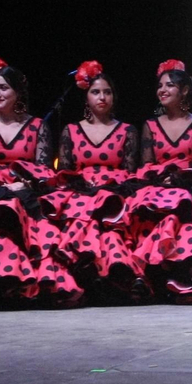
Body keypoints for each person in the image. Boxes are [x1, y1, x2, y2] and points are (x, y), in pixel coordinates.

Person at [0, 55, 80, 305]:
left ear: (18, 92)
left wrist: (24, 185)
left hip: (28, 192)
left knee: (31, 216)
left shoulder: (36, 126)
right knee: (3, 211)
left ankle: (25, 285)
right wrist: (2, 187)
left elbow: (44, 169)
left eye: (3, 87)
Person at [48, 61, 145, 300]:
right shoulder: (71, 131)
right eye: (96, 92)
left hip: (116, 192)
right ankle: (83, 272)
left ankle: (118, 275)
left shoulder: (127, 131)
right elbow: (66, 173)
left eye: (107, 92)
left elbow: (130, 172)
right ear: (86, 97)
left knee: (113, 220)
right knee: (80, 213)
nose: (102, 97)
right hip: (81, 191)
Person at [130, 59, 192, 297]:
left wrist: (185, 181)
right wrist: (164, 180)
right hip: (159, 187)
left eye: (169, 85)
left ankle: (185, 272)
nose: (163, 90)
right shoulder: (150, 125)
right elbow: (146, 165)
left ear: (185, 90)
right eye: (160, 86)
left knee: (189, 214)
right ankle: (153, 273)